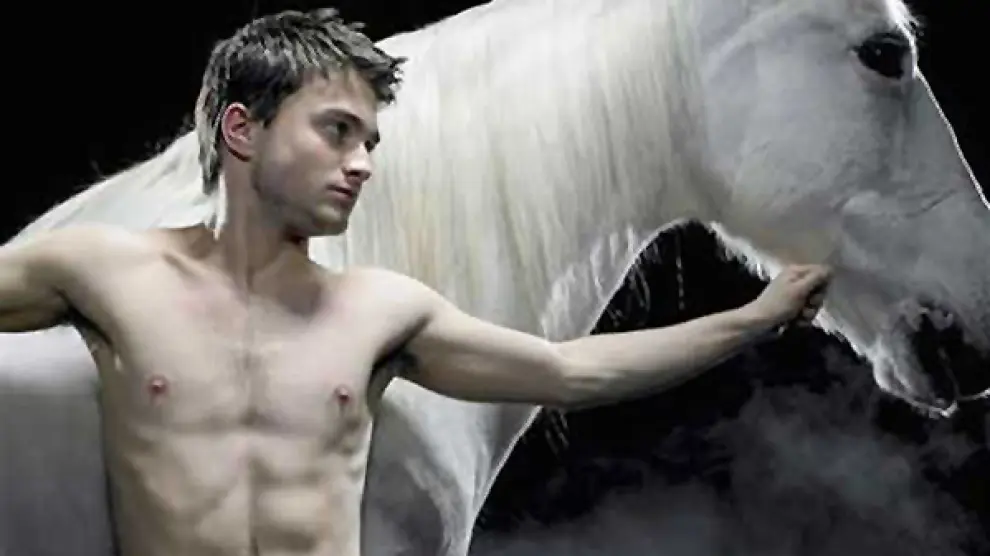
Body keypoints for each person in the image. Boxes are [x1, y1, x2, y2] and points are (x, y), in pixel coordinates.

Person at [0, 8, 831, 556]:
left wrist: (758, 315)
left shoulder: (378, 309)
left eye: (369, 141)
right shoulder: (100, 271)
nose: (362, 164)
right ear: (242, 130)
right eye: (336, 132)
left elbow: (571, 371)